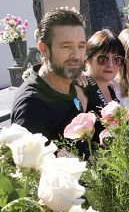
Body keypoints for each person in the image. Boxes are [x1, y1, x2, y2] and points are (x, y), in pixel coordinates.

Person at [11, 8, 87, 140]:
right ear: (43, 49)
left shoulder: (68, 82)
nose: (76, 55)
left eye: (81, 46)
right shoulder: (31, 106)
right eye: (66, 46)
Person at [81, 29, 124, 113]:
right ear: (87, 59)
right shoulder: (82, 88)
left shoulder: (110, 89)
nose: (110, 65)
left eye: (116, 59)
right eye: (103, 59)